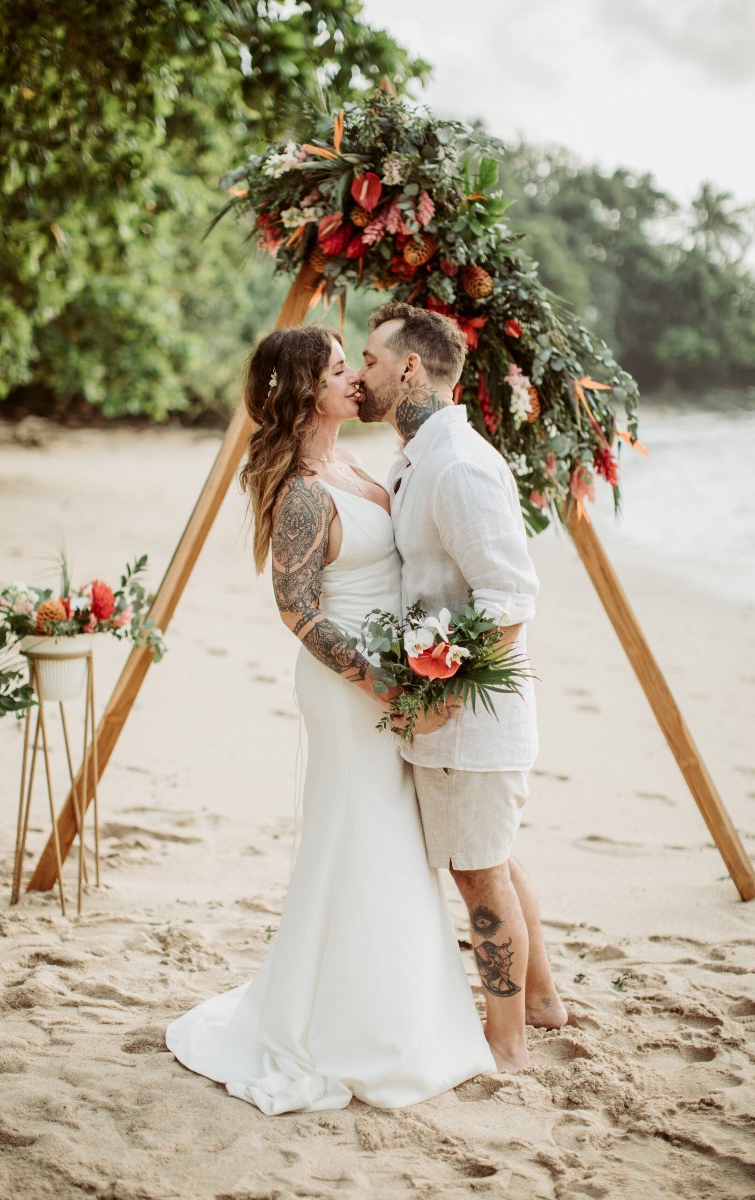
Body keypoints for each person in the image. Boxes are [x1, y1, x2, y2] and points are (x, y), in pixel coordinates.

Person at [166, 324, 494, 1114]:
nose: (355, 379)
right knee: (363, 835)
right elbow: (297, 610)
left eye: (357, 364)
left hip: (390, 680)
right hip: (349, 691)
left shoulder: (358, 465)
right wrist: (381, 685)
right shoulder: (304, 491)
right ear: (308, 390)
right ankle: (352, 1028)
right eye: (341, 369)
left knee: (391, 841)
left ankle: (400, 1012)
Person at [357, 302, 567, 1072]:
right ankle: (541, 1003)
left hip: (473, 719)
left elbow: (510, 596)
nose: (361, 374)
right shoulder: (416, 460)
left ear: (410, 368)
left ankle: (506, 1044)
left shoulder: (457, 466)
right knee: (490, 859)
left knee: (478, 874)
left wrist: (444, 692)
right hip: (452, 717)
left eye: (371, 361)